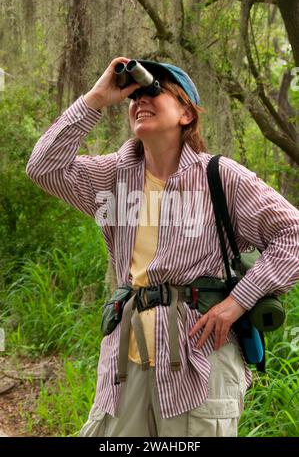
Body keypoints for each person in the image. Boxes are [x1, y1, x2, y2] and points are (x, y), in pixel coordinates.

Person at [26, 57, 299, 437]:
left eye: (154, 91)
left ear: (186, 113)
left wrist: (237, 303)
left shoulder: (219, 177)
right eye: (133, 96)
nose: (139, 100)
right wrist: (96, 99)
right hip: (126, 363)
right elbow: (43, 167)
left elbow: (293, 236)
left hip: (197, 359)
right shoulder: (113, 177)